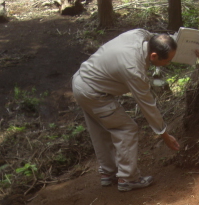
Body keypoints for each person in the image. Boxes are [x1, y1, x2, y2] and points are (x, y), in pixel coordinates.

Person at [72, 29, 181, 192]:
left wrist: (193, 50)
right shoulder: (134, 70)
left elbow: (167, 40)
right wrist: (165, 135)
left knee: (100, 129)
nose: (169, 63)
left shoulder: (140, 34)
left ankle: (108, 173)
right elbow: (148, 106)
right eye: (168, 60)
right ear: (153, 56)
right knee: (126, 128)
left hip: (81, 81)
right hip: (93, 92)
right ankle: (128, 178)